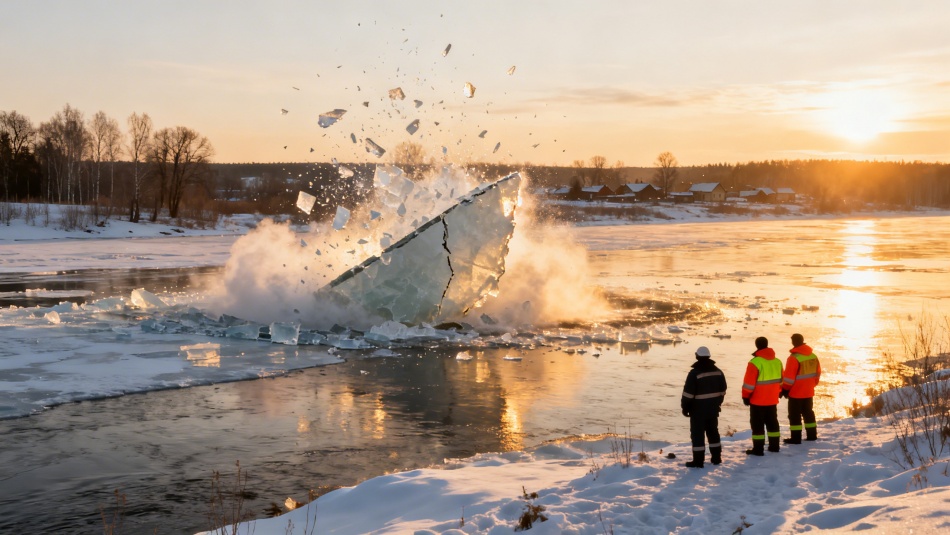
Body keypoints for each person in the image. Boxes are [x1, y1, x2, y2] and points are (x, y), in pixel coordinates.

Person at [681, 346, 727, 468]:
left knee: (697, 435)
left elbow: (688, 394)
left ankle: (698, 461)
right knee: (713, 433)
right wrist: (717, 403)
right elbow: (723, 391)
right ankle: (716, 458)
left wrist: (685, 408)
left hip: (697, 411)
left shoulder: (694, 373)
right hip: (713, 409)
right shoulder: (718, 372)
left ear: (697, 356)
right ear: (709, 356)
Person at [741, 336, 783, 455]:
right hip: (772, 399)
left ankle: (758, 449)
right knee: (772, 423)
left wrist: (745, 396)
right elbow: (781, 381)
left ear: (757, 345)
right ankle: (774, 446)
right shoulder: (778, 361)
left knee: (757, 425)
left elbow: (749, 384)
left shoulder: (754, 362)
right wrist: (778, 392)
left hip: (757, 400)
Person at [781, 333, 821, 443]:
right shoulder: (813, 356)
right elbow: (817, 374)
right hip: (809, 391)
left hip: (796, 392)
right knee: (808, 413)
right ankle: (812, 435)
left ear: (793, 342)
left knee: (794, 416)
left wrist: (785, 390)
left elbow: (789, 378)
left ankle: (796, 438)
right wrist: (811, 385)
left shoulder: (793, 358)